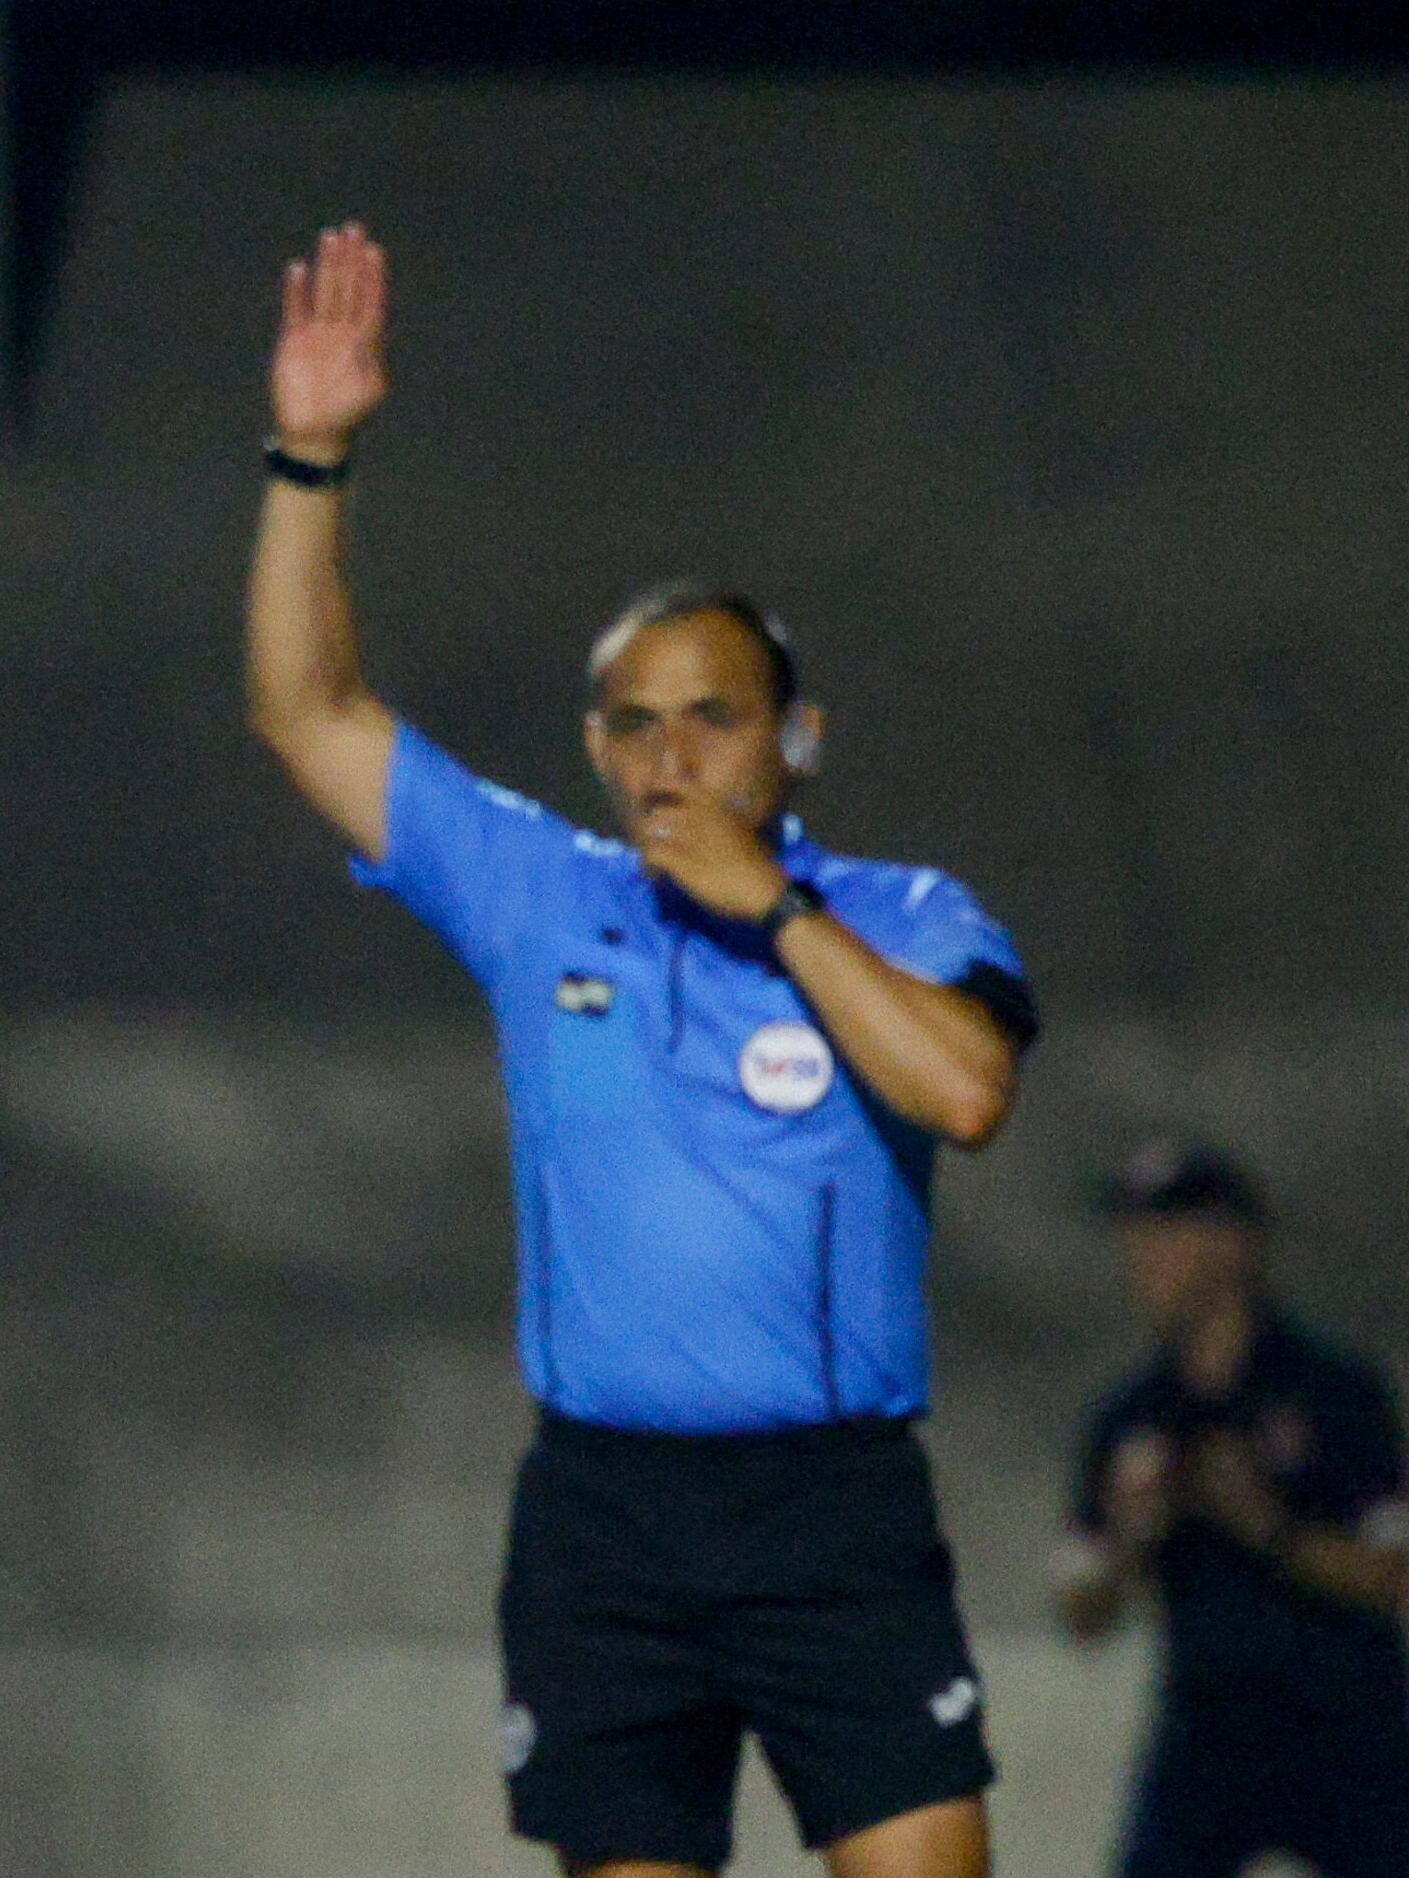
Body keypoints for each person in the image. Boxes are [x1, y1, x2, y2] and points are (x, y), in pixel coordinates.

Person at [245, 225, 1036, 1878]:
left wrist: (778, 915)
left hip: (830, 1509)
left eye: (716, 712)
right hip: (607, 1517)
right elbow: (308, 711)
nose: (673, 750)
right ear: (595, 749)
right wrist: (309, 459)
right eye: (634, 719)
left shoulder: (899, 906)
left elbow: (966, 1089)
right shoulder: (542, 892)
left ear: (794, 736)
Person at [1058, 1139, 1409, 1877]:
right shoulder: (1133, 1416)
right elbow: (1081, 1610)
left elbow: (1392, 1573)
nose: (1144, 1259)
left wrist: (1265, 1523)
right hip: (1208, 1730)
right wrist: (1131, 1538)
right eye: (1138, 1236)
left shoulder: (1332, 1392)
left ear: (1232, 1246)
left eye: (1168, 1234)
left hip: (1348, 1726)